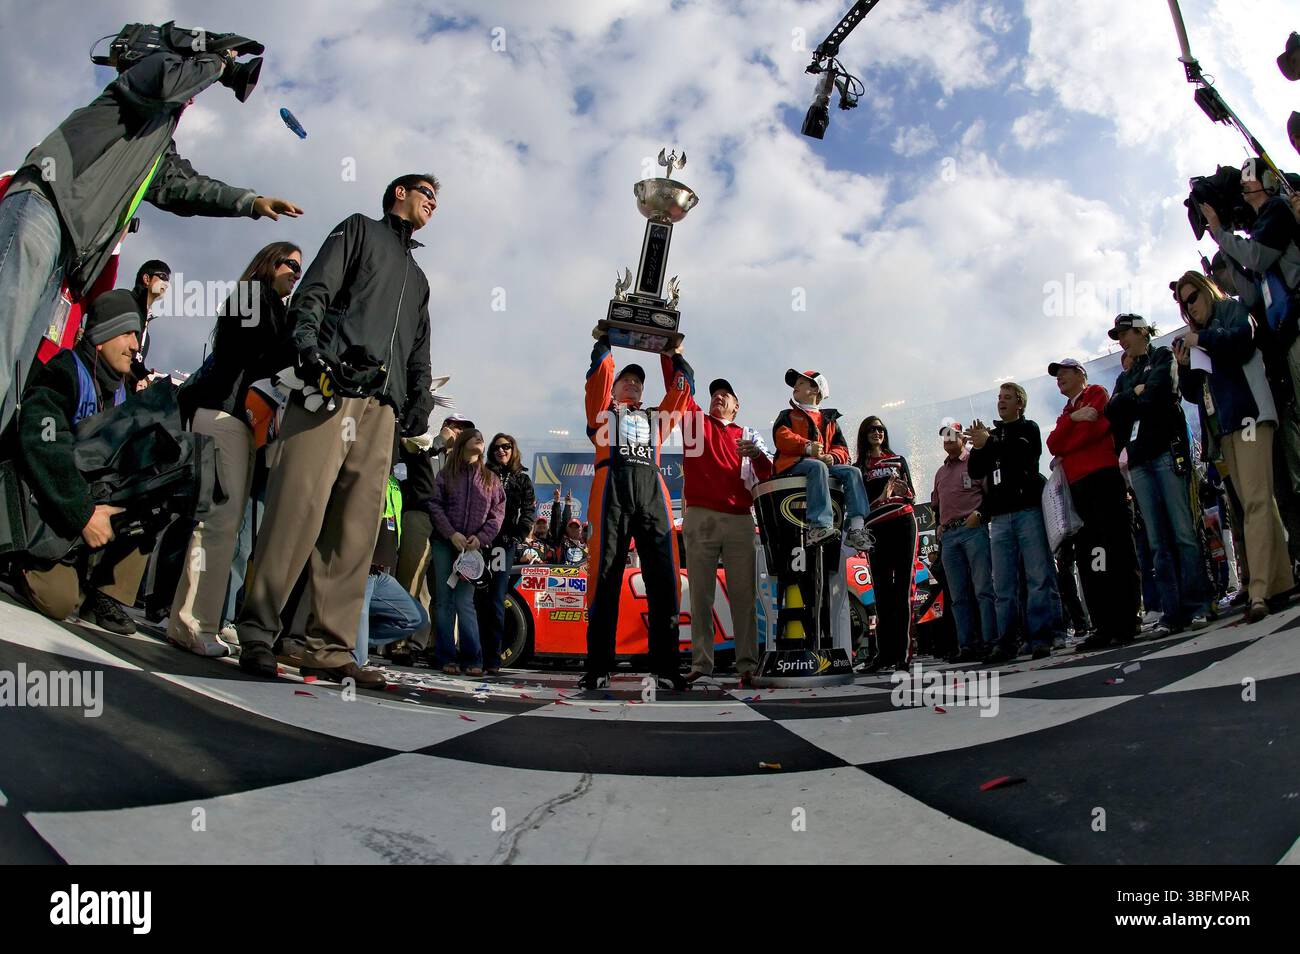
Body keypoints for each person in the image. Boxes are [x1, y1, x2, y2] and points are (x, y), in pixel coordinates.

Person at [0, 45, 301, 428]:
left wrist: (250, 202)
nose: (194, 96)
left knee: (16, 374)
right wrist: (219, 60)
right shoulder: (139, 84)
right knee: (2, 340)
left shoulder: (156, 149)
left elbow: (186, 186)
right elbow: (167, 81)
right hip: (46, 201)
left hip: (71, 245)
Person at [234, 173, 438, 688]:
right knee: (296, 507)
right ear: (398, 194)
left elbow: (419, 350)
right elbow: (314, 291)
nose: (433, 203)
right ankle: (259, 630)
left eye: (438, 199)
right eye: (425, 193)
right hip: (330, 388)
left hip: (382, 411)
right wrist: (307, 345)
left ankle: (326, 646)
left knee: (354, 532)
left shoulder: (419, 279)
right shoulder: (358, 231)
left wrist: (419, 403)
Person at [164, 242, 302, 657]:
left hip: (237, 422)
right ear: (268, 263)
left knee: (225, 524)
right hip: (224, 416)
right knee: (219, 522)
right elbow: (258, 354)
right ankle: (192, 623)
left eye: (300, 267)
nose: (296, 272)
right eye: (289, 264)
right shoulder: (251, 297)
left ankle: (197, 620)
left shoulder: (271, 307)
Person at [10, 290, 145, 632]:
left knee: (154, 489)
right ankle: (21, 560)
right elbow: (43, 444)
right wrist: (83, 514)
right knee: (57, 600)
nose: (135, 345)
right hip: (48, 509)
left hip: (88, 511)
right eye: (127, 333)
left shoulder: (122, 394)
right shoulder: (65, 370)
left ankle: (102, 594)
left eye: (138, 334)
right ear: (101, 337)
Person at [578, 327, 693, 692]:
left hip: (651, 493)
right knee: (604, 577)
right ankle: (598, 667)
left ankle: (667, 668)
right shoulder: (601, 413)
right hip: (610, 490)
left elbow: (683, 391)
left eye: (638, 383)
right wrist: (607, 340)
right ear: (614, 388)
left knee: (665, 580)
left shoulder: (655, 418)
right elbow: (598, 375)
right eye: (626, 381)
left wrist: (672, 353)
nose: (633, 385)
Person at [1173, 271, 1292, 622]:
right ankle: (1281, 581)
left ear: (1207, 290)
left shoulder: (1231, 311)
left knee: (1255, 502)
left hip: (1252, 415)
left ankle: (1258, 590)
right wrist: (1184, 368)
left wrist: (1200, 340)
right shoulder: (1202, 337)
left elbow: (1242, 341)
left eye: (1192, 297)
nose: (1189, 307)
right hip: (1225, 426)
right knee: (1257, 504)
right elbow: (1195, 393)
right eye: (1183, 303)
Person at [1103, 313, 1211, 636]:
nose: (1121, 341)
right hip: (1138, 463)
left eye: (1124, 334)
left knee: (1182, 532)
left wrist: (1138, 396)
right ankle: (1171, 611)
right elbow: (1112, 413)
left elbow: (1160, 394)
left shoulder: (1163, 356)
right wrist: (1134, 394)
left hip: (1167, 453)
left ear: (1140, 331)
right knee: (1157, 541)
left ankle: (1198, 605)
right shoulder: (1124, 378)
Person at [678, 377, 772, 687]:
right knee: (700, 596)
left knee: (744, 595)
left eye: (725, 394)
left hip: (740, 519)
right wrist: (671, 352)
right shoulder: (694, 423)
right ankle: (701, 663)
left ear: (736, 405)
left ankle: (746, 664)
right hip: (701, 516)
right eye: (714, 393)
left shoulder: (749, 435)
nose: (718, 397)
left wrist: (757, 455)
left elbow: (768, 475)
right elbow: (676, 383)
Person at [1046, 358, 1141, 651]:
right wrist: (1073, 421)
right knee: (1091, 555)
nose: (1059, 377)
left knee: (1116, 546)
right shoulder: (1067, 413)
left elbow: (1094, 431)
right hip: (1079, 490)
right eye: (1057, 374)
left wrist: (1067, 437)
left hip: (1104, 480)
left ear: (1080, 374)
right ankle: (1103, 623)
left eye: (1064, 372)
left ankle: (1126, 620)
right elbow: (1052, 444)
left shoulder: (1097, 393)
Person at [967, 383, 1065, 662]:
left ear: (1019, 403)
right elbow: (976, 470)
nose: (1001, 401)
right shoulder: (992, 434)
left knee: (1037, 578)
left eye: (1007, 397)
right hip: (998, 519)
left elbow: (1023, 456)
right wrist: (977, 446)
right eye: (999, 397)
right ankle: (1007, 641)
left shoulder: (1029, 428)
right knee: (1004, 586)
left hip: (1027, 512)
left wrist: (991, 442)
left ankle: (1041, 637)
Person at [428, 428, 504, 676]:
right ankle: (446, 657)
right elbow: (435, 505)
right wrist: (451, 534)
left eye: (482, 437)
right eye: (475, 437)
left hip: (472, 551)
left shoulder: (492, 479)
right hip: (444, 544)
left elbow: (497, 514)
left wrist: (479, 539)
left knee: (464, 601)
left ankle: (474, 658)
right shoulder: (445, 475)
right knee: (443, 601)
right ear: (462, 443)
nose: (481, 440)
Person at [772, 369, 873, 552]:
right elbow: (781, 437)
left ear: (815, 389)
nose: (795, 386)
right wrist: (807, 446)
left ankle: (856, 527)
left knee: (853, 471)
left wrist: (832, 457)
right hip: (792, 464)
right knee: (817, 466)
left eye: (801, 383)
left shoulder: (830, 420)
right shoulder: (787, 414)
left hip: (821, 467)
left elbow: (842, 449)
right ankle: (819, 526)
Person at [398, 412, 472, 656]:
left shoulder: (462, 463)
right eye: (458, 428)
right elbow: (408, 448)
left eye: (465, 429)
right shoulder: (427, 445)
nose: (461, 433)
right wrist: (440, 439)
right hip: (420, 515)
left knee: (438, 588)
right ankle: (400, 641)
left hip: (447, 527)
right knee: (411, 581)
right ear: (447, 427)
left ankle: (428, 644)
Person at [931, 423, 997, 663]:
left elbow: (990, 494)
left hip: (973, 531)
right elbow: (936, 505)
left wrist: (980, 515)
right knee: (958, 596)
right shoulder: (940, 472)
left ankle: (990, 642)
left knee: (983, 589)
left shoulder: (975, 461)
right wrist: (939, 525)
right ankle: (967, 645)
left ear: (962, 437)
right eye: (944, 436)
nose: (947, 439)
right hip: (949, 536)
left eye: (952, 435)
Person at [855, 416, 916, 671]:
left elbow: (912, 494)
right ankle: (883, 654)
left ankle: (903, 655)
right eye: (872, 428)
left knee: (902, 589)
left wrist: (903, 490)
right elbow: (858, 505)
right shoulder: (858, 467)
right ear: (864, 434)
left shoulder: (898, 460)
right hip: (876, 529)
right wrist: (880, 497)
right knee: (881, 591)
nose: (877, 432)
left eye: (880, 428)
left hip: (903, 522)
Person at [474, 433, 535, 674]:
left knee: (497, 599)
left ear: (513, 449)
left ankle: (493, 659)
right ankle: (474, 655)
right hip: (479, 543)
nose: (501, 451)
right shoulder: (483, 473)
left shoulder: (522, 479)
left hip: (504, 544)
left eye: (506, 447)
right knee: (477, 599)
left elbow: (529, 510)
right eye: (497, 447)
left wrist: (518, 536)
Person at [355, 475, 427, 666]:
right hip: (360, 565)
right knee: (358, 661)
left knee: (416, 618)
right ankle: (351, 647)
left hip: (380, 572)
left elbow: (425, 485)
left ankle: (348, 640)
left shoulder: (395, 479)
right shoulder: (365, 468)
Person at [127, 259, 171, 388]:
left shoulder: (146, 322)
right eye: (163, 276)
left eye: (168, 280)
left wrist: (146, 377)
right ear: (146, 279)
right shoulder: (126, 305)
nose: (166, 283)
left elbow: (136, 363)